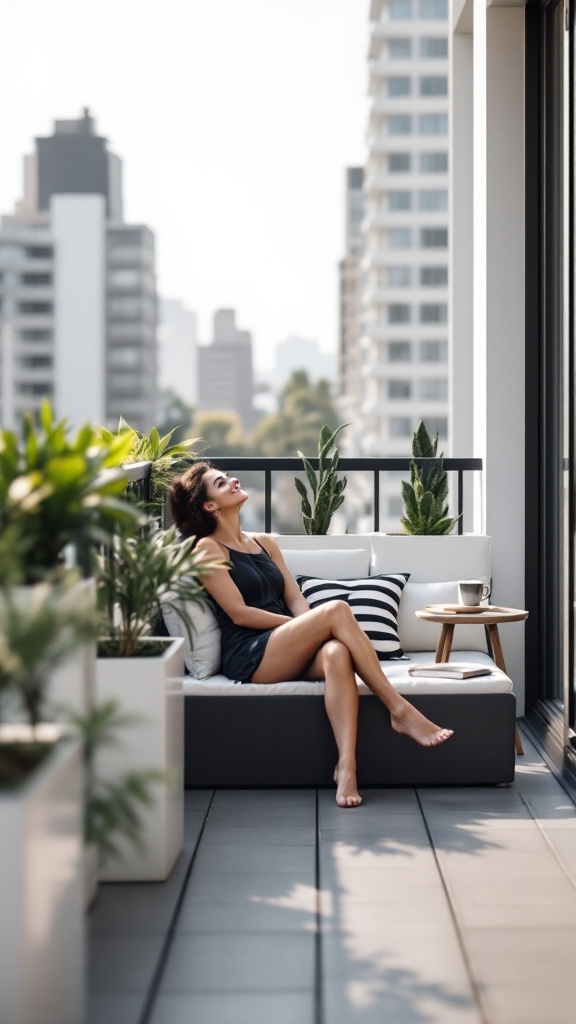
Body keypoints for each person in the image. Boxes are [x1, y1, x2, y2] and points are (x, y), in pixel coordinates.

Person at [169, 461, 454, 808]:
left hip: (284, 641)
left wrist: (308, 624)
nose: (233, 480)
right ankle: (400, 709)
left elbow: (293, 597)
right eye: (220, 483)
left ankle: (346, 767)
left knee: (337, 653)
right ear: (209, 506)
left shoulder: (265, 543)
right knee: (335, 610)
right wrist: (302, 625)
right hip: (250, 652)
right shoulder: (207, 549)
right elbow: (239, 613)